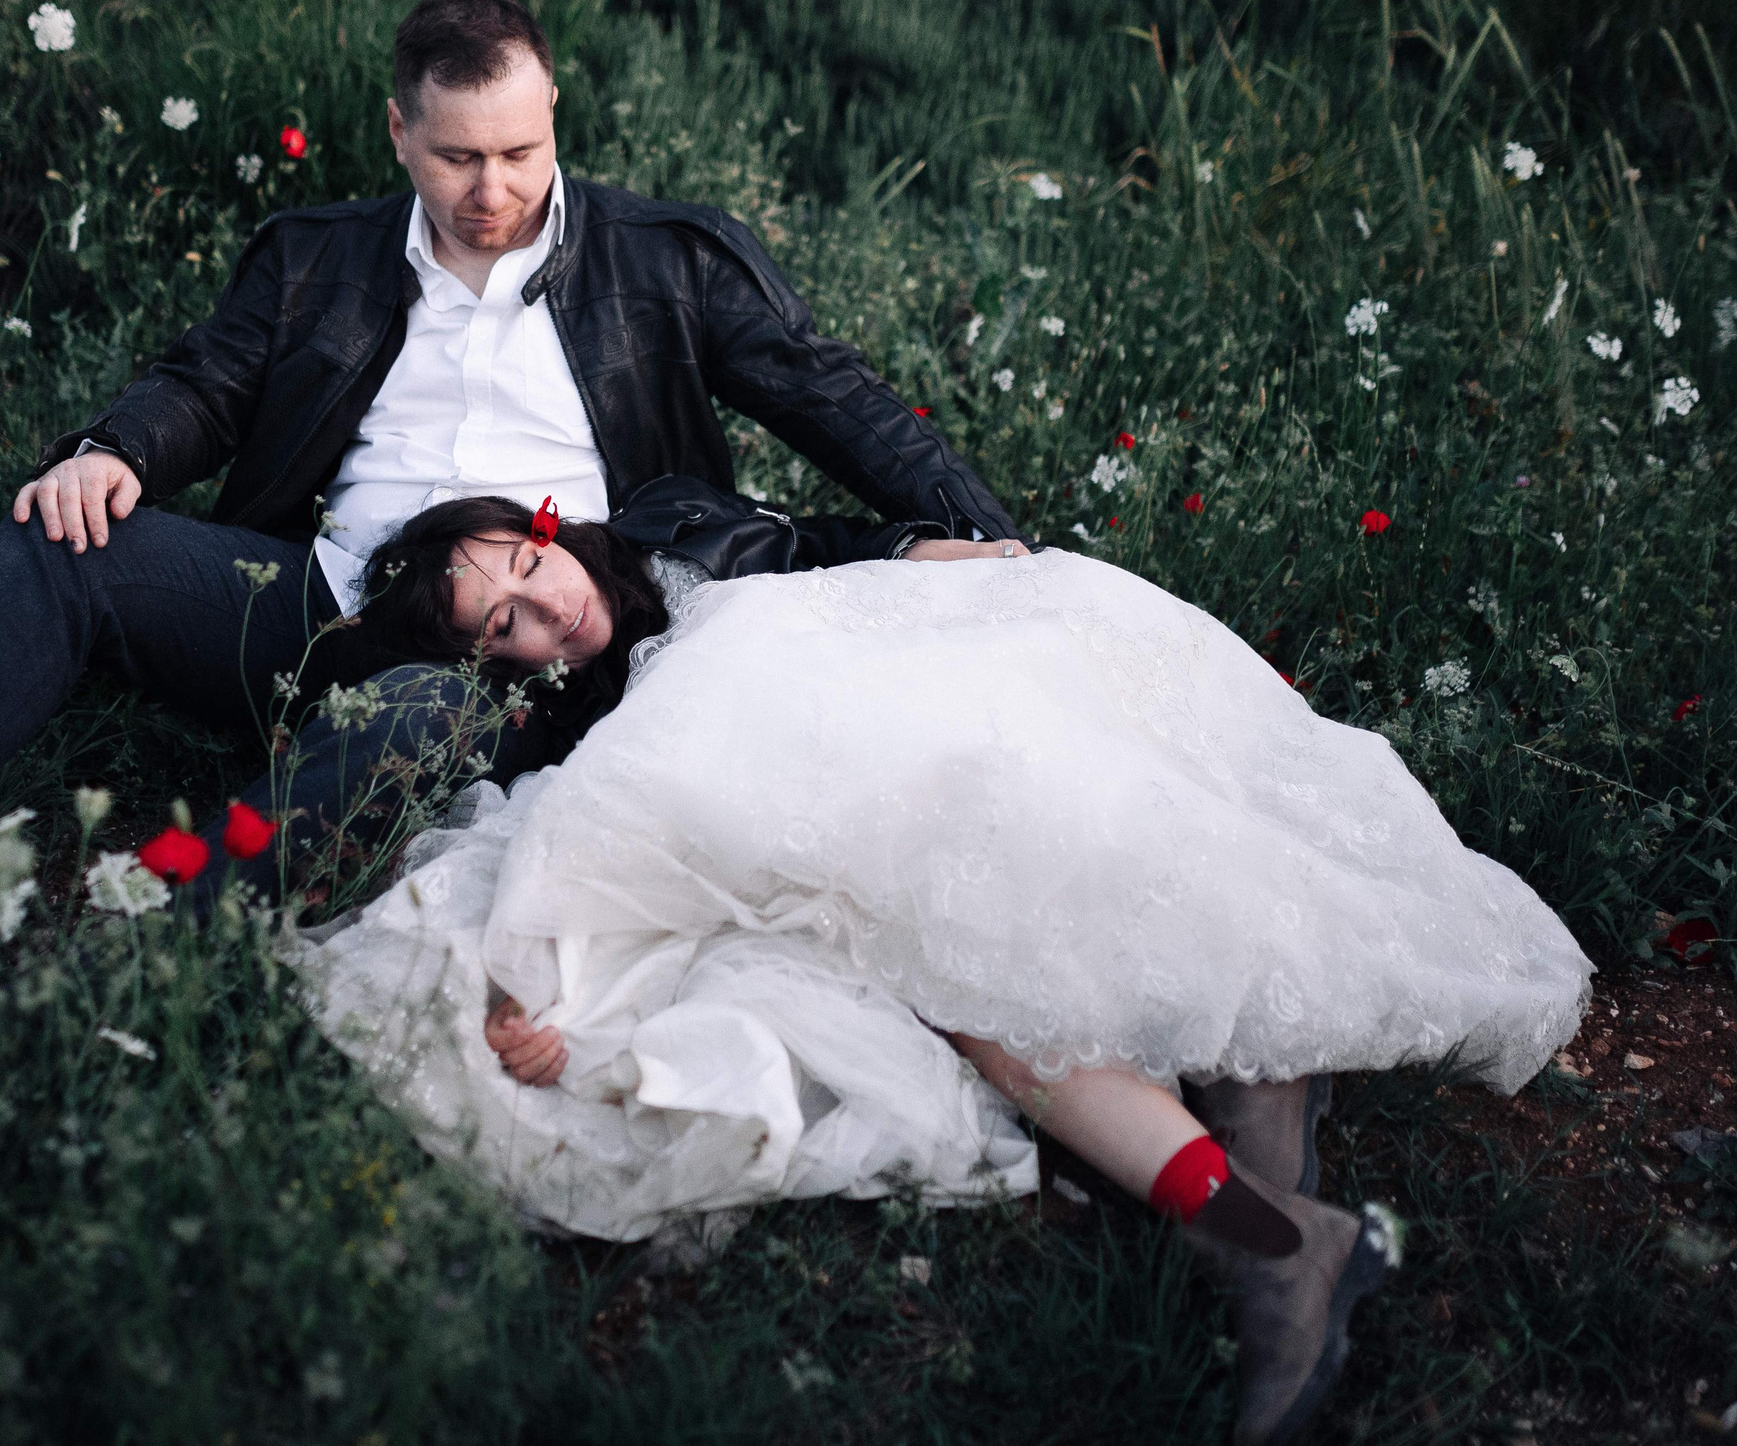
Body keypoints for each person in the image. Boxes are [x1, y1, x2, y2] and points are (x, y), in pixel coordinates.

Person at [0, 0, 1022, 923]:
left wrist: (992, 537)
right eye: (459, 157)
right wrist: (115, 452)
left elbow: (835, 399)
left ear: (555, 122)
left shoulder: (664, 260)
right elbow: (207, 385)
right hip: (312, 595)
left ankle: (176, 928)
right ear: (401, 134)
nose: (496, 192)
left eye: (523, 153)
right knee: (64, 543)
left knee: (421, 718)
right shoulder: (319, 259)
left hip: (517, 633)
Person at [298, 488, 1595, 1446]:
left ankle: (1259, 1063)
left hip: (905, 710)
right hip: (840, 833)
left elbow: (824, 549)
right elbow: (596, 844)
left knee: (1057, 832)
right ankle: (1270, 1230)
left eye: (529, 566)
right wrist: (529, 984)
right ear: (492, 660)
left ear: (548, 524)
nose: (544, 606)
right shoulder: (572, 729)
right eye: (507, 623)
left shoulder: (670, 530)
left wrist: (935, 550)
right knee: (981, 989)